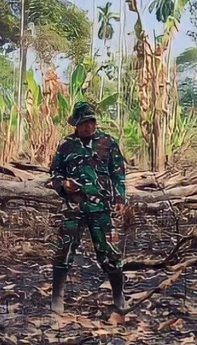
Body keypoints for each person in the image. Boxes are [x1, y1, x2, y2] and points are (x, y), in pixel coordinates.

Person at [50, 101, 127, 313]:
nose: (89, 126)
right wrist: (63, 185)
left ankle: (119, 296)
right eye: (84, 123)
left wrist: (120, 197)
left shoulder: (107, 143)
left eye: (92, 122)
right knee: (64, 251)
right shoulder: (65, 145)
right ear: (76, 124)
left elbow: (118, 173)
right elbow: (55, 173)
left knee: (111, 253)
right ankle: (57, 298)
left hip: (101, 208)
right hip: (73, 209)